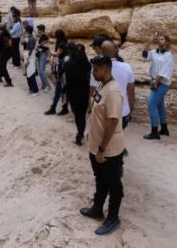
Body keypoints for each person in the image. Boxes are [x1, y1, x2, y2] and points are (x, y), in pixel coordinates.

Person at [80, 54, 125, 236]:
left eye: (96, 70)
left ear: (106, 70)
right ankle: (97, 209)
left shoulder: (113, 91)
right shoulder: (102, 84)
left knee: (113, 184)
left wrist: (102, 149)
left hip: (109, 149)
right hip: (96, 145)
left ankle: (113, 218)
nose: (93, 72)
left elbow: (113, 121)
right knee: (100, 178)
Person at [90, 40, 135, 157]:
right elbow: (131, 93)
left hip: (104, 113)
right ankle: (119, 151)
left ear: (102, 51)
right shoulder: (127, 67)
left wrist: (91, 110)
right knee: (116, 133)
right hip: (124, 111)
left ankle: (112, 155)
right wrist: (130, 110)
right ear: (115, 51)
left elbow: (92, 92)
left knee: (107, 138)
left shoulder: (98, 70)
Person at [141, 32, 175, 140]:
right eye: (159, 38)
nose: (159, 40)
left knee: (151, 105)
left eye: (162, 39)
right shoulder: (154, 52)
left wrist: (156, 82)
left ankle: (154, 132)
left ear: (167, 42)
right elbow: (144, 54)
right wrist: (150, 41)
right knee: (160, 105)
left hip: (162, 83)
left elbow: (165, 71)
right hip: (155, 80)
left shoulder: (168, 56)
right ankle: (164, 129)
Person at [64, 43, 92, 145]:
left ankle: (79, 131)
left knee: (76, 114)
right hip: (84, 92)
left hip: (72, 93)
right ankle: (81, 132)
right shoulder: (87, 65)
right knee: (82, 114)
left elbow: (65, 80)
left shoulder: (68, 64)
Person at [45, 29, 70, 116]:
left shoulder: (63, 45)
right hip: (61, 71)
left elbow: (57, 54)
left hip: (62, 73)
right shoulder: (64, 44)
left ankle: (55, 108)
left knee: (60, 91)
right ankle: (61, 107)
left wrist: (51, 53)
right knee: (61, 91)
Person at [24, 25, 40, 97]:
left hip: (30, 57)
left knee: (31, 73)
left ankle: (36, 90)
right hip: (28, 56)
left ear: (28, 31)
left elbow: (31, 49)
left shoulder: (32, 39)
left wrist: (27, 57)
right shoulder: (30, 38)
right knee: (28, 73)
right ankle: (31, 88)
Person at [36, 25, 52, 91]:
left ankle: (48, 86)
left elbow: (47, 47)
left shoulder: (45, 36)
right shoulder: (41, 36)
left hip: (43, 54)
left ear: (42, 30)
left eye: (39, 29)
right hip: (40, 54)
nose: (38, 31)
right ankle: (44, 84)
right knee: (40, 71)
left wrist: (39, 46)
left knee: (42, 71)